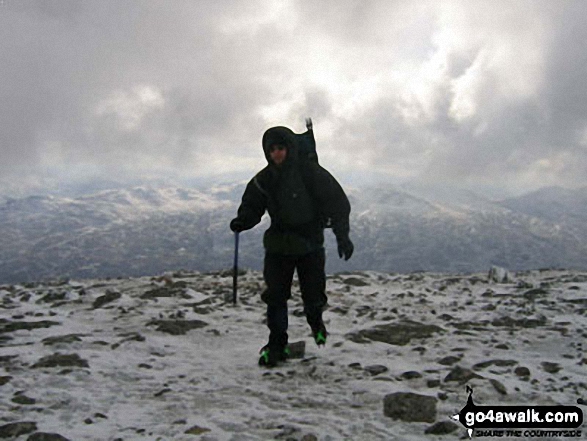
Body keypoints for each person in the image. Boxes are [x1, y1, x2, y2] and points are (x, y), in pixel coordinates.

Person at [230, 124, 354, 367]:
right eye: (272, 150)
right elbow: (252, 206)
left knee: (312, 293)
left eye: (281, 148)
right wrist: (243, 221)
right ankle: (277, 345)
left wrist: (343, 236)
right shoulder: (264, 179)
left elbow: (337, 203)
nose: (276, 154)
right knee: (275, 296)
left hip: (310, 244)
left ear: (290, 149)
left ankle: (315, 322)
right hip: (278, 246)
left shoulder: (310, 173)